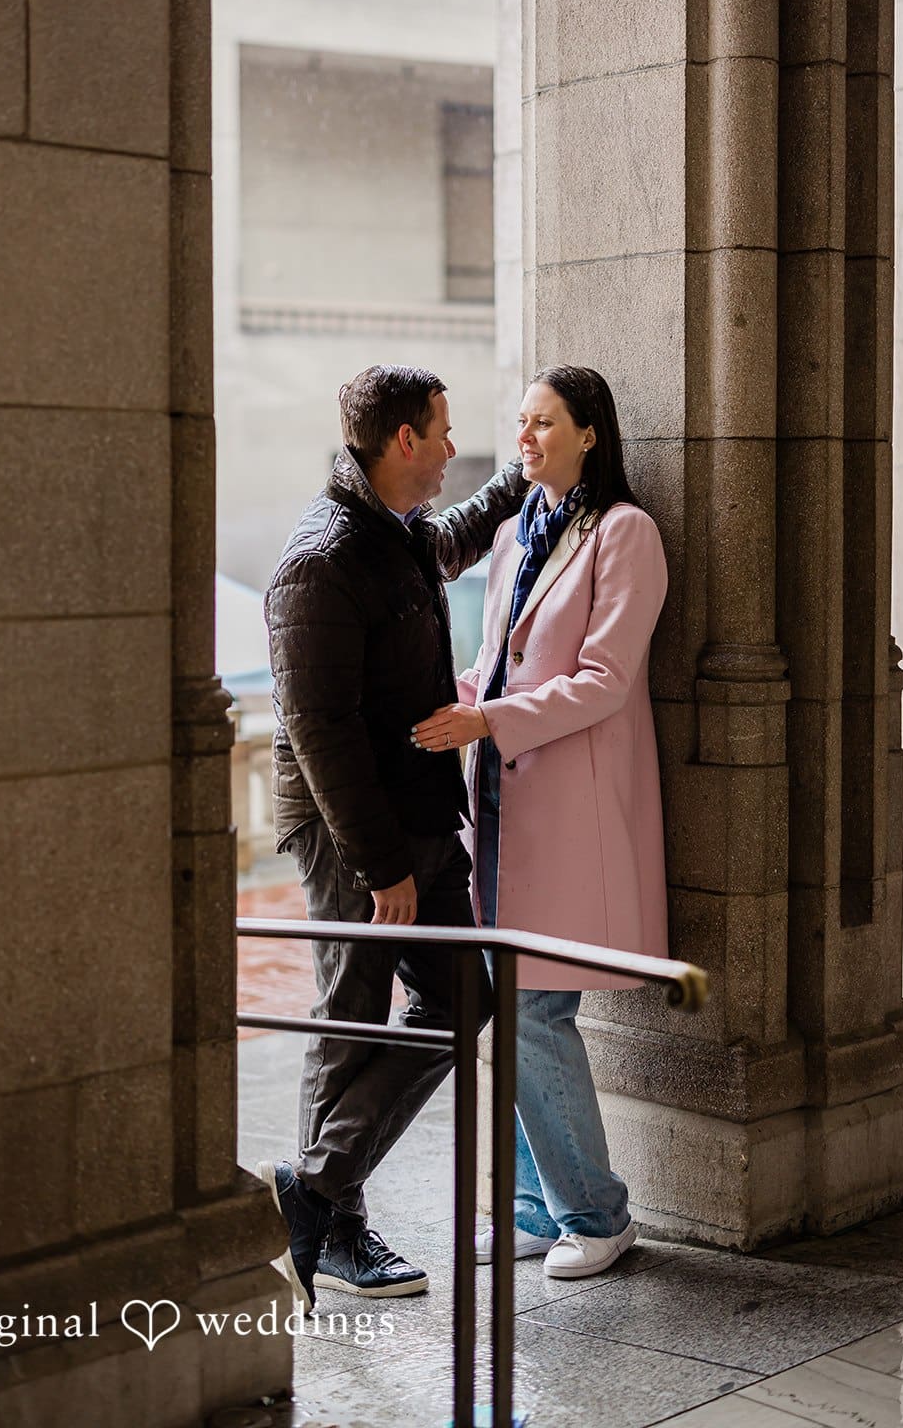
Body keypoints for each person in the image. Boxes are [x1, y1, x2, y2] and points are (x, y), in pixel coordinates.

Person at [259, 365, 527, 1310]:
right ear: (401, 442)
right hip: (351, 831)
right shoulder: (318, 560)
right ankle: (338, 1227)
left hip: (417, 814)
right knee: (351, 1015)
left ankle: (316, 1189)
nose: (457, 449)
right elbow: (320, 733)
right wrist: (380, 868)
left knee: (463, 998)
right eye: (445, 433)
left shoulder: (399, 532)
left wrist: (522, 477)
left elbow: (450, 542)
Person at [412, 365, 668, 1279]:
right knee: (509, 1016)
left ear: (588, 433)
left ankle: (597, 1215)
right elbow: (495, 666)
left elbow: (604, 680)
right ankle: (529, 1208)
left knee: (534, 1011)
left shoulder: (624, 534)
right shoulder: (518, 530)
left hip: (569, 810)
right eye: (518, 423)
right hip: (498, 806)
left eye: (541, 423)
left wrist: (488, 719)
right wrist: (451, 705)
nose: (522, 439)